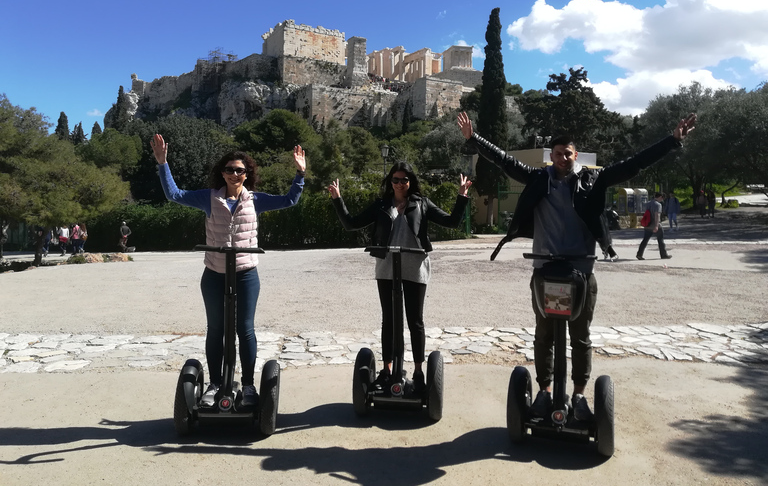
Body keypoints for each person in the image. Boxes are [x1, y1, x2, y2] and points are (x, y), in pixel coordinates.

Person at [457, 111, 696, 421]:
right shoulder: (538, 178)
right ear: (551, 155)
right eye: (557, 154)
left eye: (567, 153)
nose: (562, 158)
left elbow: (633, 164)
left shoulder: (592, 179)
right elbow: (504, 161)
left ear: (575, 155)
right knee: (543, 335)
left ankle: (580, 394)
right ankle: (544, 391)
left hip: (581, 271)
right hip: (544, 271)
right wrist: (473, 139)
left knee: (580, 336)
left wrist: (672, 141)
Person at [151, 133, 306, 408]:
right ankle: (214, 383)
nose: (234, 174)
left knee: (245, 330)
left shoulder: (255, 200)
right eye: (229, 170)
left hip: (246, 274)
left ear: (247, 175)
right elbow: (174, 195)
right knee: (216, 330)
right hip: (214, 274)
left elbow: (289, 200)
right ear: (222, 174)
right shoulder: (208, 198)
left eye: (240, 170)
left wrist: (300, 173)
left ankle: (247, 386)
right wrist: (163, 163)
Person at [328, 162, 471, 391]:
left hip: (415, 265)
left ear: (410, 181)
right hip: (387, 266)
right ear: (390, 182)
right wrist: (338, 199)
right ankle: (387, 370)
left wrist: (462, 196)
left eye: (404, 180)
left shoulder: (421, 203)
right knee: (389, 320)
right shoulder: (381, 204)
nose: (399, 184)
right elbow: (351, 224)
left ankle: (418, 372)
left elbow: (451, 222)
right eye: (395, 180)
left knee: (415, 321)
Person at [636, 193, 671, 260]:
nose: (662, 199)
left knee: (645, 240)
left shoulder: (647, 203)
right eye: (662, 198)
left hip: (647, 225)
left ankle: (639, 254)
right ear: (660, 197)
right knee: (660, 240)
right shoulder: (658, 205)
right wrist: (656, 226)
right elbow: (657, 215)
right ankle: (663, 255)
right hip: (655, 225)